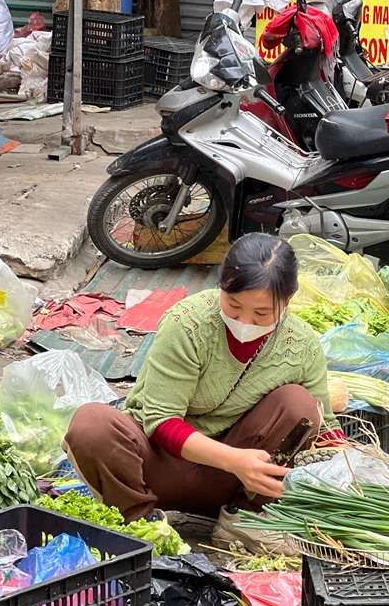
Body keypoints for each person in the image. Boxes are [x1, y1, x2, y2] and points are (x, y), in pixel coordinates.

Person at [63, 233, 346, 551]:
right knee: (91, 424)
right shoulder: (188, 323)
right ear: (221, 286)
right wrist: (236, 461)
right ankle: (143, 529)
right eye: (234, 305)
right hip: (157, 466)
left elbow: (326, 425)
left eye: (262, 314)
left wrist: (362, 469)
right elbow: (161, 421)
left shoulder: (301, 343)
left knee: (299, 405)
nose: (244, 321)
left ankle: (243, 519)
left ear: (288, 300)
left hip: (234, 481)